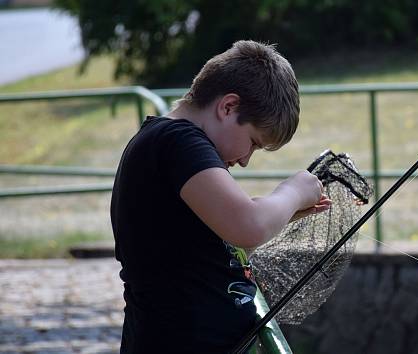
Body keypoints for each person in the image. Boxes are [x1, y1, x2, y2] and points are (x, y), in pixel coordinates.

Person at [110, 40, 331, 353]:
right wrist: (292, 192)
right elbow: (248, 225)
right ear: (228, 107)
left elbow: (217, 245)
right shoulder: (178, 141)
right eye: (253, 142)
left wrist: (281, 213)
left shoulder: (170, 144)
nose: (245, 160)